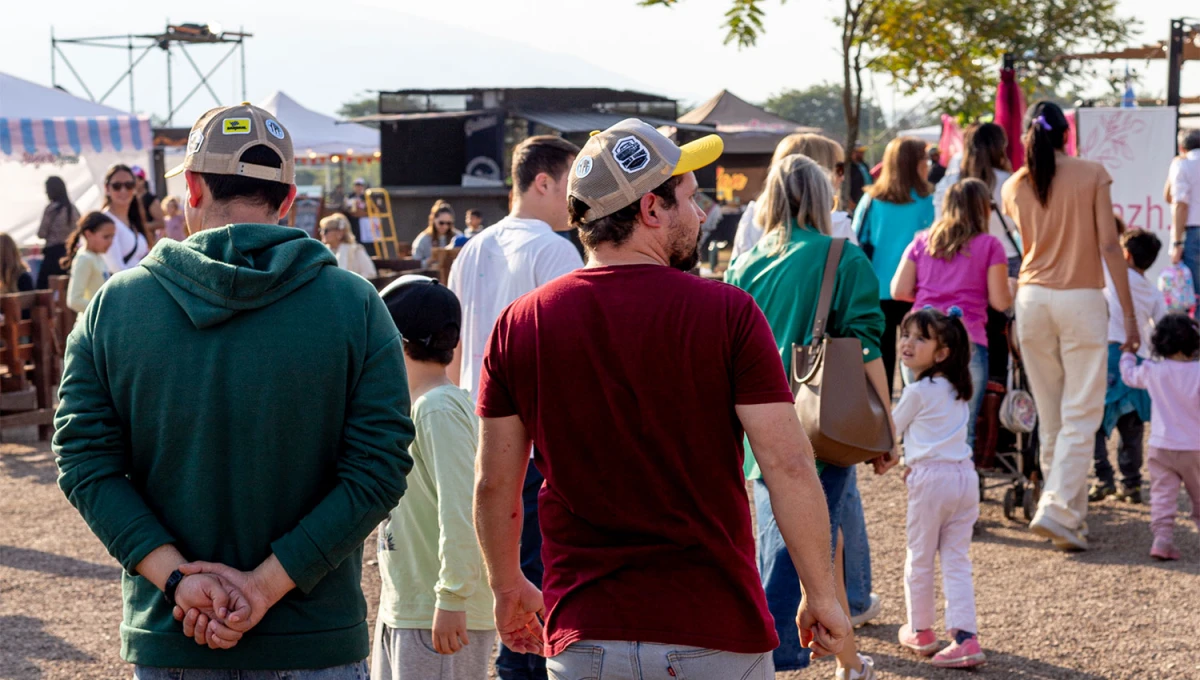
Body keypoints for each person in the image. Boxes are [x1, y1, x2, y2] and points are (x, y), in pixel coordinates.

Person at [475, 120, 850, 680]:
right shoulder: (727, 314)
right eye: (689, 197)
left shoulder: (521, 323)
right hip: (714, 626)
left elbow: (494, 483)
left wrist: (506, 588)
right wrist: (822, 593)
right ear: (651, 210)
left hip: (586, 633)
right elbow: (789, 465)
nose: (700, 213)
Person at [55, 103, 415, 677]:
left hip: (173, 628)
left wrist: (178, 578)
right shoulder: (355, 304)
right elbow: (378, 468)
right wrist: (264, 586)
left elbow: (83, 462)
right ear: (289, 197)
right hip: (313, 634)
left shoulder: (114, 308)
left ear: (191, 188)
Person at [726, 153, 895, 680]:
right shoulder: (842, 257)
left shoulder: (744, 264)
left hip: (753, 422)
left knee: (813, 539)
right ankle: (772, 659)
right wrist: (886, 426)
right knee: (799, 544)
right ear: (823, 198)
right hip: (822, 421)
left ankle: (848, 660)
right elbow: (867, 345)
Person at [447, 134, 581, 680]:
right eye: (571, 184)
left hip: (477, 433)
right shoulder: (554, 249)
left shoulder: (471, 248)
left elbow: (456, 349)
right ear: (542, 182)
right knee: (537, 589)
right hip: (532, 443)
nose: (577, 199)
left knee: (502, 585)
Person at [1001, 101, 1139, 551]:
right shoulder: (1091, 173)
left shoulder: (1016, 186)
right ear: (1066, 134)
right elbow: (1110, 248)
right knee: (1082, 413)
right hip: (1080, 298)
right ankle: (1057, 509)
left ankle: (1069, 523)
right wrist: (1130, 316)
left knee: (1055, 415)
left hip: (1032, 299)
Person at [373, 275, 495, 680]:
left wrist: (452, 596)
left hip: (437, 612)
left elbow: (462, 506)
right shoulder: (420, 406)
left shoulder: (437, 409)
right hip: (409, 606)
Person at [893, 308, 985, 669]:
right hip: (965, 477)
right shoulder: (960, 389)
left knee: (919, 556)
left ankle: (921, 630)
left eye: (920, 338)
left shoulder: (918, 391)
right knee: (956, 558)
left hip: (931, 481)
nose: (908, 343)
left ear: (942, 353)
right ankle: (965, 637)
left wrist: (887, 458)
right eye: (906, 335)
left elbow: (889, 430)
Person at [890, 178, 1012, 447]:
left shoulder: (922, 241)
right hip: (967, 342)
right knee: (962, 429)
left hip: (921, 337)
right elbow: (1001, 302)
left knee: (918, 423)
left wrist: (930, 297)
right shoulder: (990, 246)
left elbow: (898, 290)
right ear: (983, 209)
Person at [934, 123, 1020, 384]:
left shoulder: (949, 181)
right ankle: (995, 397)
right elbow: (1018, 225)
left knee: (965, 325)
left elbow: (938, 220)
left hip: (958, 259)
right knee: (999, 333)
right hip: (1004, 260)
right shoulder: (1007, 182)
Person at [853, 136, 936, 396]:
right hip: (916, 291)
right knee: (919, 358)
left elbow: (856, 243)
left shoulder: (870, 201)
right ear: (915, 163)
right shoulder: (929, 201)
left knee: (881, 361)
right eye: (924, 158)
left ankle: (882, 424)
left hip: (876, 291)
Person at [1090, 228, 1167, 503]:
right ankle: (1131, 484)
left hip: (1110, 355)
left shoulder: (1111, 276)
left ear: (1126, 255)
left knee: (1095, 424)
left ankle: (1103, 478)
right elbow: (1161, 328)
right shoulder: (1153, 291)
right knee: (1132, 429)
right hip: (1139, 360)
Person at [1118, 314, 1200, 561]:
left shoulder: (1153, 371)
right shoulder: (1198, 372)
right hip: (1194, 447)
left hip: (1161, 446)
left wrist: (1128, 353)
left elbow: (1128, 375)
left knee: (1162, 496)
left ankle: (1162, 540)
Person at [731, 133, 856, 260]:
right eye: (839, 168)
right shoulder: (838, 224)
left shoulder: (752, 217)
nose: (842, 177)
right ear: (817, 171)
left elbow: (735, 274)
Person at [1168, 129, 1200, 320]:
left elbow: (1178, 203)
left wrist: (1177, 242)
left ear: (1181, 147)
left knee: (1194, 296)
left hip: (1193, 233)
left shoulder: (1184, 165)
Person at [100, 164, 151, 274]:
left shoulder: (134, 220)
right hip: (124, 287)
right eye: (117, 186)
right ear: (107, 189)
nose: (123, 190)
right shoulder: (105, 222)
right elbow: (116, 269)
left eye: (129, 185)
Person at [61, 212, 115, 314]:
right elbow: (74, 300)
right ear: (88, 234)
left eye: (112, 237)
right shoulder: (84, 259)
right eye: (106, 237)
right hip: (89, 327)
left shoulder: (98, 257)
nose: (110, 241)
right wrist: (103, 312)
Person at [36, 175, 80, 288]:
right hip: (70, 253)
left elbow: (41, 233)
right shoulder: (73, 209)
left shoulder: (51, 209)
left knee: (45, 290)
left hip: (52, 255)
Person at [320, 213, 378, 279]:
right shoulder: (323, 254)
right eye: (321, 230)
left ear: (340, 233)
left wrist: (349, 282)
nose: (322, 233)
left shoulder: (355, 250)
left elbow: (370, 274)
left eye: (325, 231)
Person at [413, 201, 463, 267]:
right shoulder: (423, 239)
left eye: (448, 223)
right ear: (433, 220)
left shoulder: (458, 236)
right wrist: (430, 260)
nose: (445, 227)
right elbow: (416, 262)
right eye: (441, 223)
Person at [133, 165, 165, 243]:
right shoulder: (130, 199)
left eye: (135, 179)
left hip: (147, 242)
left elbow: (161, 223)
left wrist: (141, 226)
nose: (132, 182)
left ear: (142, 180)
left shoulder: (150, 199)